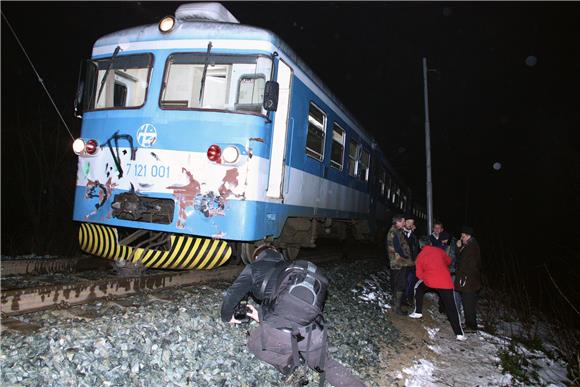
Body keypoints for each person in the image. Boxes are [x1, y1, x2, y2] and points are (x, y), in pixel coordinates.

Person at [221, 244, 365, 387]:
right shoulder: (291, 268)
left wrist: (227, 316)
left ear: (257, 257)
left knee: (254, 343)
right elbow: (290, 305)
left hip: (285, 333)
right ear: (278, 254)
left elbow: (232, 295)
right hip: (313, 331)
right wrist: (259, 314)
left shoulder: (254, 268)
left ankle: (292, 365)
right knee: (326, 364)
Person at [409, 237, 466, 341]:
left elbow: (418, 273)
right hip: (445, 282)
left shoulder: (420, 255)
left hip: (430, 281)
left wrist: (425, 277)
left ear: (421, 246)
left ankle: (417, 312)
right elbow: (448, 261)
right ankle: (459, 334)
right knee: (452, 308)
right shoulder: (440, 251)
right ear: (430, 243)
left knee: (418, 288)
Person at [454, 226, 482, 332]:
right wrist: (458, 248)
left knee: (469, 304)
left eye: (463, 236)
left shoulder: (472, 246)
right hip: (468, 280)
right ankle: (469, 323)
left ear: (468, 236)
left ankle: (471, 326)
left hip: (470, 281)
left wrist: (464, 276)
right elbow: (460, 258)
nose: (461, 237)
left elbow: (465, 262)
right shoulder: (468, 245)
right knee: (467, 303)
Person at [386, 214, 414, 315]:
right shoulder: (394, 232)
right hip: (399, 263)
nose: (404, 223)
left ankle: (395, 305)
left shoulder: (396, 231)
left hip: (398, 263)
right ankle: (397, 308)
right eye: (403, 221)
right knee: (400, 284)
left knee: (396, 283)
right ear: (398, 222)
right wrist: (408, 260)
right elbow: (399, 249)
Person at [402, 214, 419, 306]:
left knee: (410, 280)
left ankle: (407, 298)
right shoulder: (399, 233)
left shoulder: (414, 237)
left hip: (411, 263)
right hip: (401, 263)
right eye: (408, 222)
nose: (410, 224)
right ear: (404, 222)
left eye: (411, 223)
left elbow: (416, 249)